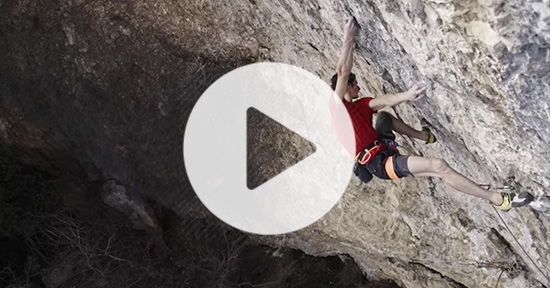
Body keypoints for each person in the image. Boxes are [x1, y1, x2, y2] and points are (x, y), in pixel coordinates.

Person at [331, 17, 532, 211]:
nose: (358, 86)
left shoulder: (362, 104)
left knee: (384, 117)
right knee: (439, 166)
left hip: (381, 146)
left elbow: (386, 100)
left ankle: (424, 136)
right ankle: (497, 199)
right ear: (346, 88)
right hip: (380, 164)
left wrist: (407, 95)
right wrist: (348, 36)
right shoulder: (336, 107)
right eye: (354, 84)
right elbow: (342, 71)